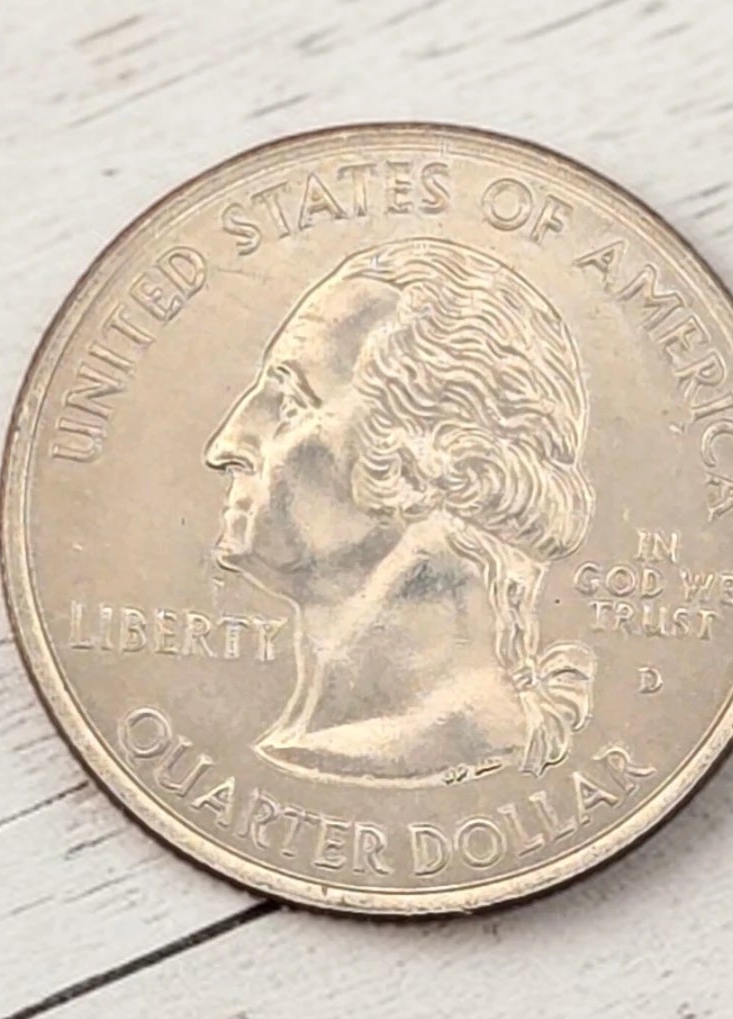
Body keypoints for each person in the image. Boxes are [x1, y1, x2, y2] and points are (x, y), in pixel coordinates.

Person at [205, 239, 595, 781]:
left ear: (424, 460)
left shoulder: (446, 744)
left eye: (292, 402)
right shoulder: (309, 743)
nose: (226, 444)